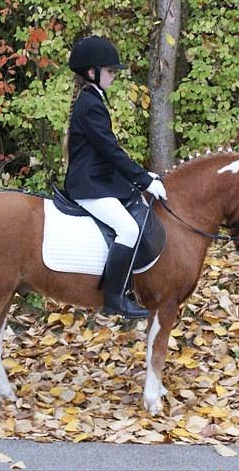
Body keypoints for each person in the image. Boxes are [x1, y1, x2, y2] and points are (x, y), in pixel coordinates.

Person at [62, 35, 167, 320]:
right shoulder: (90, 104)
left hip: (99, 180)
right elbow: (110, 150)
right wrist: (144, 181)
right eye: (109, 71)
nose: (113, 76)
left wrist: (143, 175)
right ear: (92, 72)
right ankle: (114, 300)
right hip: (88, 185)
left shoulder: (92, 99)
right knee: (129, 229)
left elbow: (108, 152)